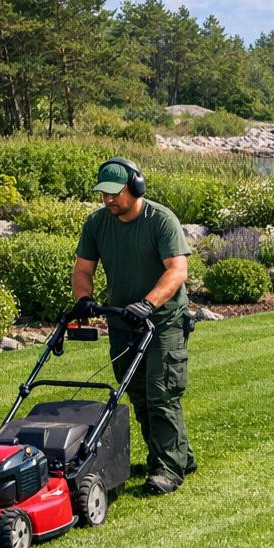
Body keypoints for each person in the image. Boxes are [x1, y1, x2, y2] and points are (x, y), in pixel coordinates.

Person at [71, 157, 196, 496]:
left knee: (161, 394)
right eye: (104, 194)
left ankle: (168, 469)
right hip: (123, 322)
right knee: (139, 396)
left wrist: (148, 303)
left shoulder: (161, 220)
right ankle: (175, 454)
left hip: (163, 321)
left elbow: (177, 271)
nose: (109, 200)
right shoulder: (97, 224)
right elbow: (83, 270)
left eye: (115, 193)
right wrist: (84, 299)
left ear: (135, 188)